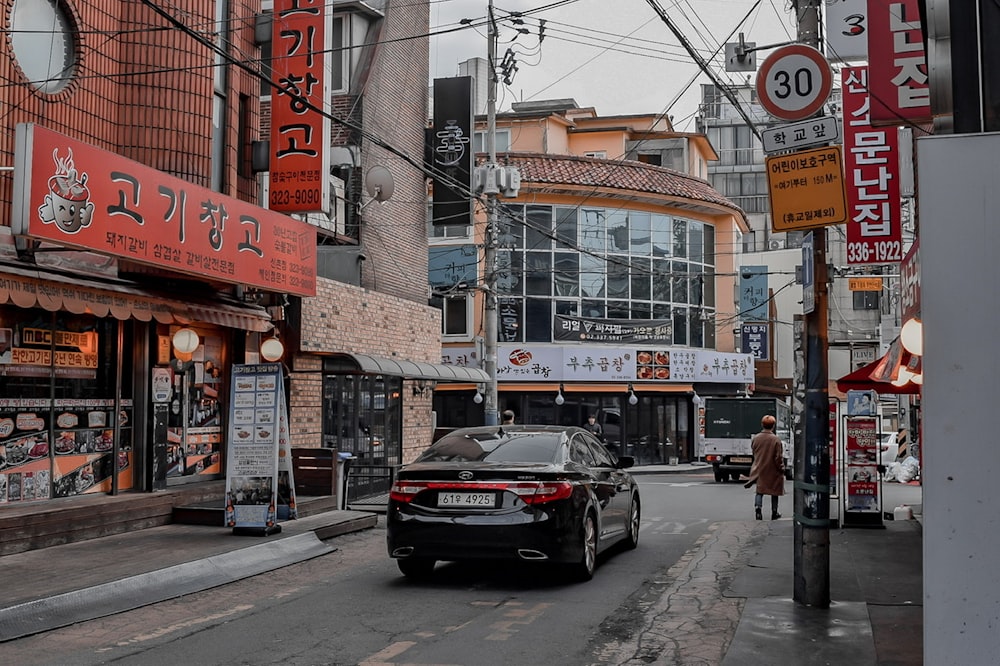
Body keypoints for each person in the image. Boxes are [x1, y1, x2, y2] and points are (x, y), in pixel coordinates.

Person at [743, 414, 786, 520]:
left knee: (760, 491)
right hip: (773, 470)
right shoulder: (776, 440)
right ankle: (774, 512)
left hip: (759, 468)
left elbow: (754, 452)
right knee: (774, 491)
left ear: (762, 425)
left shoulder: (756, 438)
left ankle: (758, 510)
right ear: (773, 426)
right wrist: (781, 468)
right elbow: (778, 457)